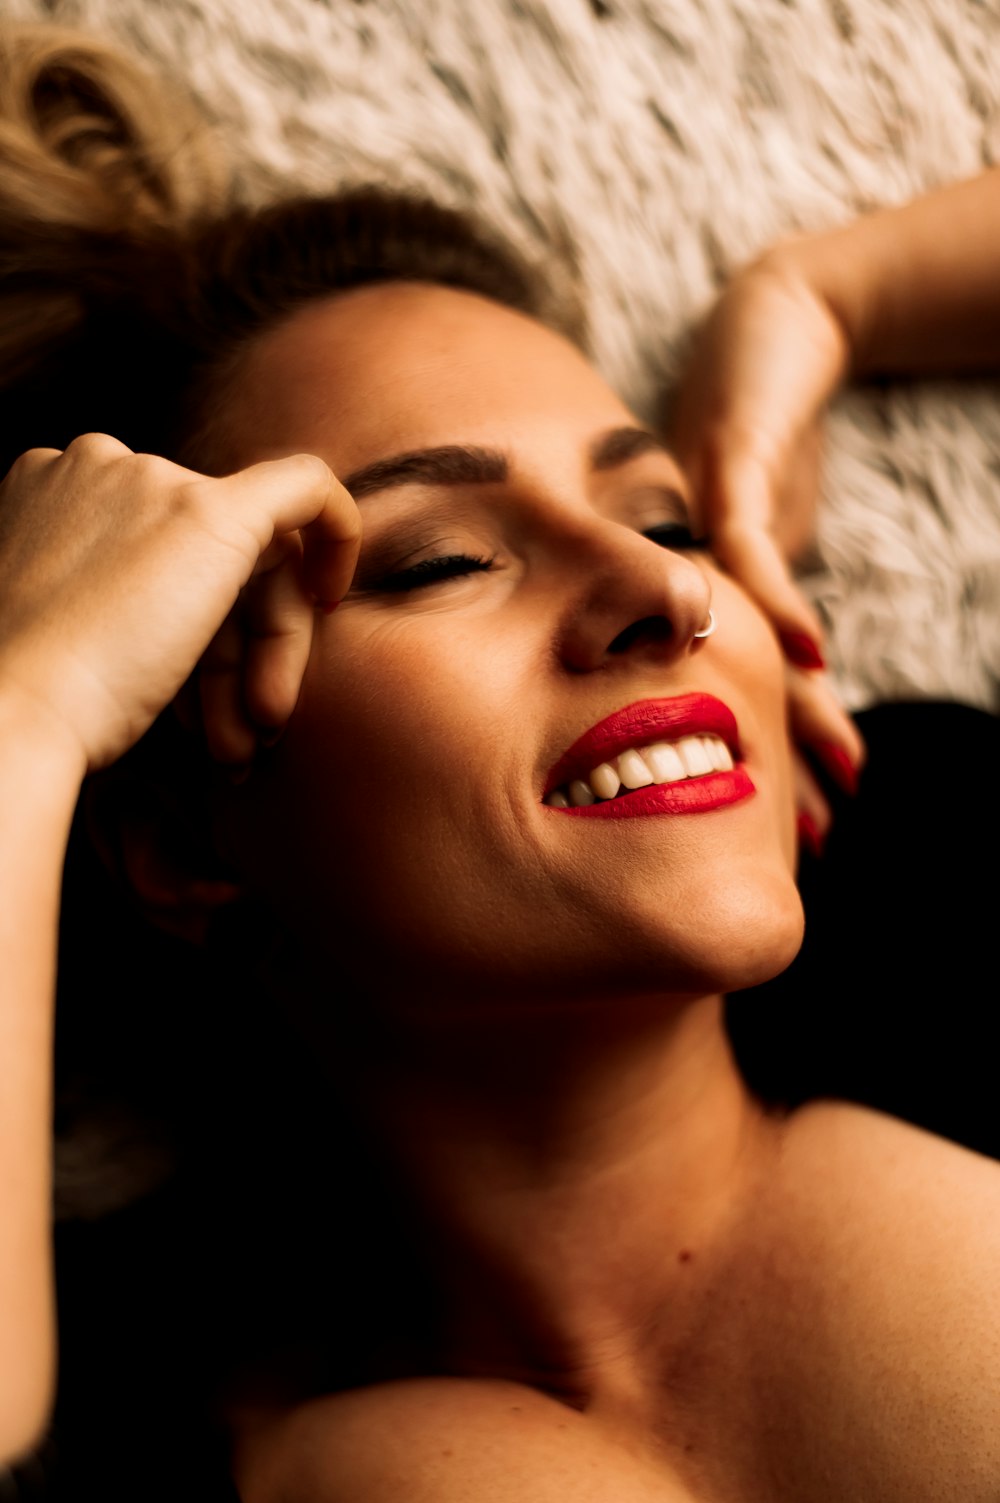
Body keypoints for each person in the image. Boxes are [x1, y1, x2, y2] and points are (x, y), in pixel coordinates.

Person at [1, 21, 998, 1502]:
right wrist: (32, 710)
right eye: (440, 561)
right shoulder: (139, 1399)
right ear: (187, 845)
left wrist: (823, 294)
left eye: (665, 521)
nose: (668, 591)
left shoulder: (958, 874)